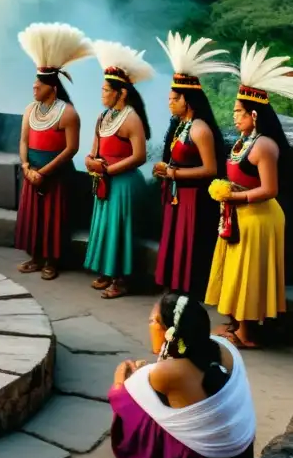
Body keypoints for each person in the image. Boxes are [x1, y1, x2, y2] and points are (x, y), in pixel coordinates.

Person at [205, 43, 293, 348]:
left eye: (238, 112)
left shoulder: (265, 146)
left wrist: (235, 197)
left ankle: (247, 333)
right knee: (235, 271)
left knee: (249, 275)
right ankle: (235, 323)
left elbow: (270, 190)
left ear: (254, 114)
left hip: (258, 218)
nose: (234, 117)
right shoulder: (246, 141)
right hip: (239, 215)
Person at [108, 294, 256, 458]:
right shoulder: (226, 347)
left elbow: (123, 398)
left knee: (129, 402)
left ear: (170, 332)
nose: (150, 324)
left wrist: (120, 378)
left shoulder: (167, 373)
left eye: (153, 321)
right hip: (240, 456)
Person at [152, 33, 235, 296]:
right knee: (175, 240)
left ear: (187, 100)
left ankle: (188, 288)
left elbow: (211, 170)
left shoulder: (199, 129)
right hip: (178, 194)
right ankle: (174, 284)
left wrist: (173, 172)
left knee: (189, 242)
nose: (169, 102)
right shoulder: (181, 126)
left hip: (194, 197)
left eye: (173, 98)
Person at [13, 23, 90, 280]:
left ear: (52, 88)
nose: (34, 87)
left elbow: (71, 148)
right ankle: (35, 257)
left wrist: (44, 171)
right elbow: (23, 141)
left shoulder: (67, 113)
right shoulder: (29, 110)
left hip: (55, 174)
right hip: (32, 171)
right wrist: (26, 167)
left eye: (39, 85)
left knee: (52, 218)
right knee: (33, 217)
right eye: (34, 84)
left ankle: (51, 261)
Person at [83, 40, 153, 299]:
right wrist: (91, 162)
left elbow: (139, 156)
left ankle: (121, 280)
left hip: (123, 184)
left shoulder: (131, 118)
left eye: (105, 90)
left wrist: (110, 170)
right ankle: (107, 271)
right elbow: (94, 148)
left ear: (120, 93)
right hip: (104, 181)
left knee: (119, 229)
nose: (102, 94)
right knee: (103, 225)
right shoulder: (103, 117)